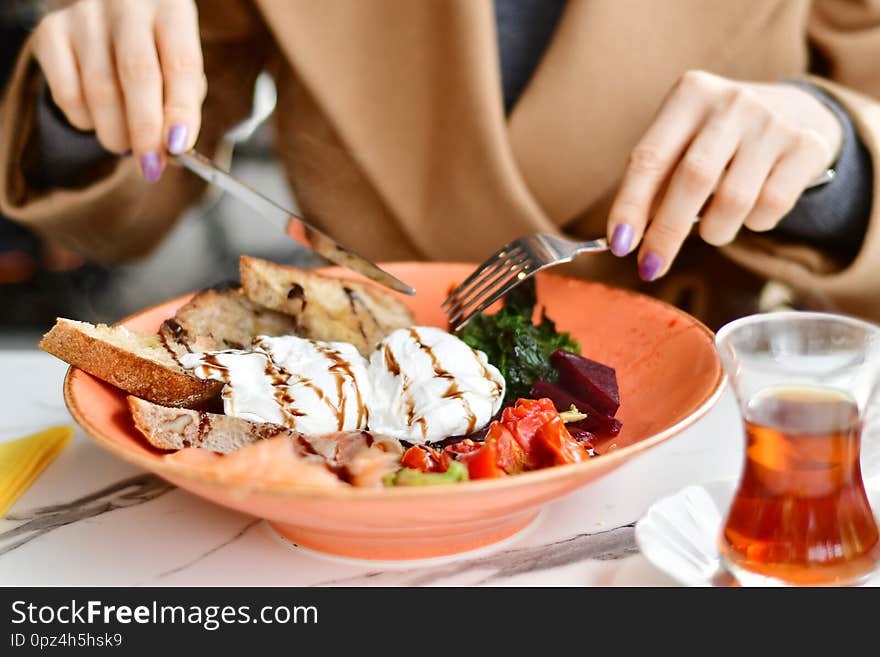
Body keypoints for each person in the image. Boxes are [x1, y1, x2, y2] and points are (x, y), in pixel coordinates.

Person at [1, 0, 878, 328]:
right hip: (342, 401)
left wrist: (833, 157)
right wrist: (88, 94)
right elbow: (123, 218)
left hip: (691, 440)